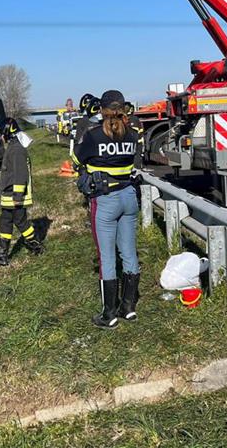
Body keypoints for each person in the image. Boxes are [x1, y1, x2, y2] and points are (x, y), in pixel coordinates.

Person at [76, 90, 140, 329]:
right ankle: (129, 307)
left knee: (107, 257)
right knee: (129, 253)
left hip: (105, 199)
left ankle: (109, 314)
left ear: (101, 110)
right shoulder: (132, 136)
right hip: (129, 196)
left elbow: (78, 157)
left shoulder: (93, 136)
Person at [0, 117, 43, 266]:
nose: (0, 137)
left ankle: (34, 244)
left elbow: (20, 174)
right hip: (9, 194)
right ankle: (2, 253)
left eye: (1, 133)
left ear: (7, 132)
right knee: (7, 221)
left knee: (19, 221)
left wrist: (18, 195)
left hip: (15, 195)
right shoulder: (13, 146)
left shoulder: (17, 150)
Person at [124, 101, 145, 169]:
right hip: (131, 144)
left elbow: (139, 132)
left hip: (136, 144)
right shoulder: (125, 119)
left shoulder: (134, 119)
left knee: (136, 161)